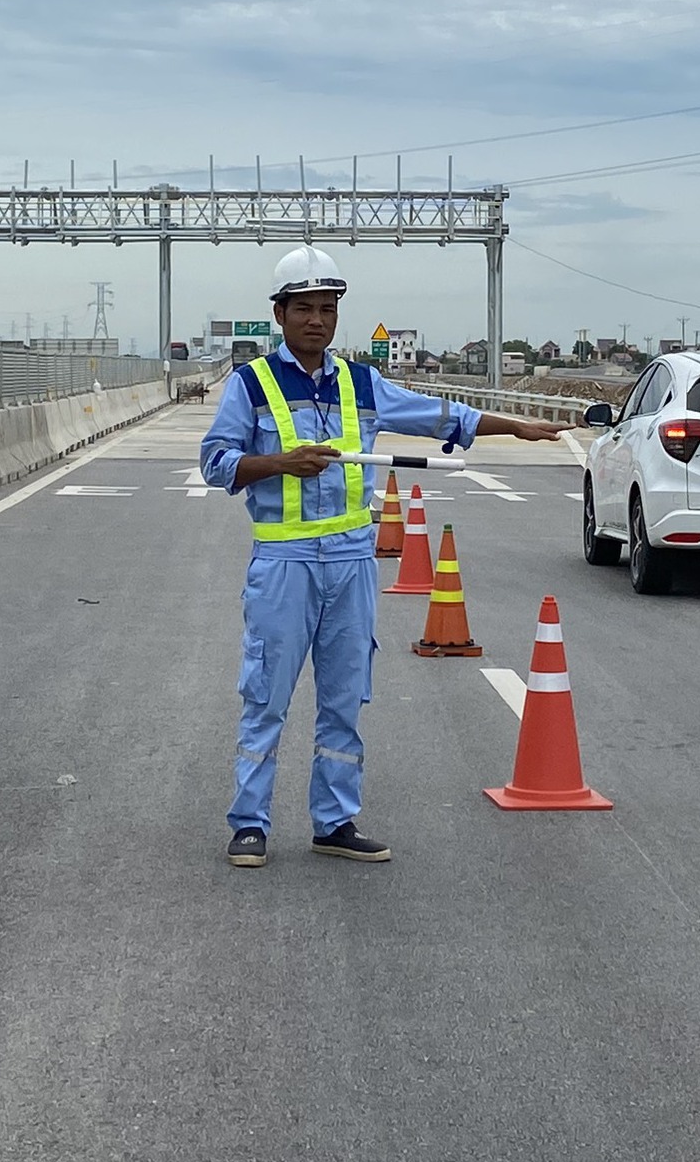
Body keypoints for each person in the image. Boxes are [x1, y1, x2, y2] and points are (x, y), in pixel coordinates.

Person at [200, 246, 566, 867]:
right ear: (280, 314)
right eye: (305, 309)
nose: (317, 320)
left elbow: (440, 416)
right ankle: (250, 823)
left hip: (351, 563)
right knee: (267, 695)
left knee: (345, 696)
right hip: (285, 562)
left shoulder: (360, 381)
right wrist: (279, 463)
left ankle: (336, 822)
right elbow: (216, 462)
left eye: (328, 308)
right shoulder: (251, 384)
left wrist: (516, 427)